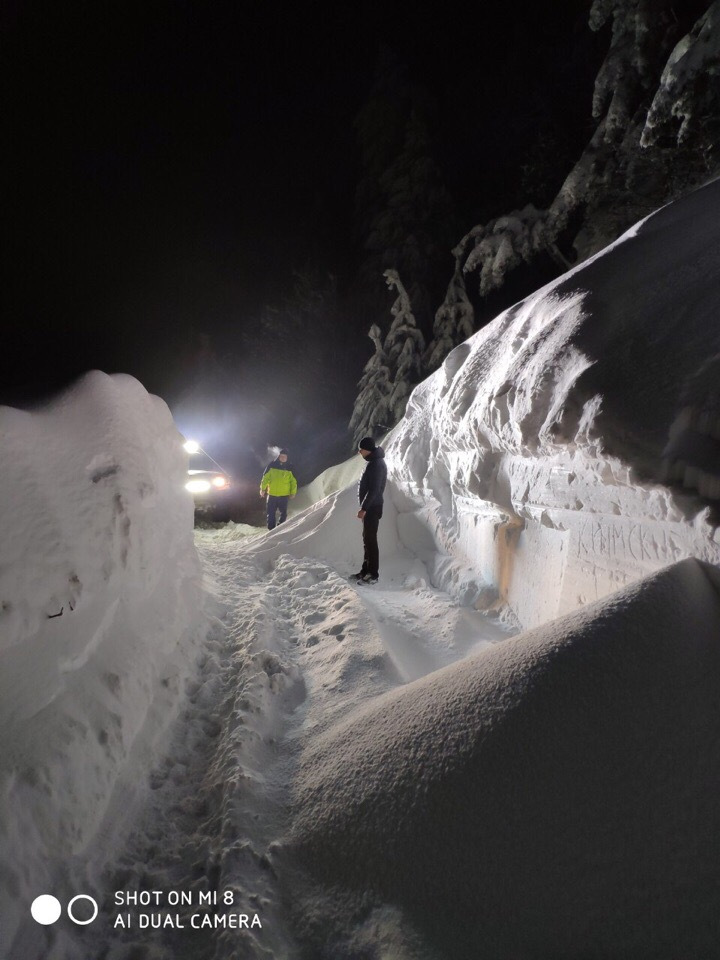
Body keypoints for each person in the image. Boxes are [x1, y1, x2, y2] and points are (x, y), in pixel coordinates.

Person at [352, 436, 387, 585]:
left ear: (367, 449)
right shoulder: (374, 462)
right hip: (371, 507)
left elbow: (374, 490)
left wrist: (364, 508)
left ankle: (373, 574)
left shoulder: (376, 464)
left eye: (361, 449)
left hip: (372, 508)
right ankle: (365, 571)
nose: (360, 452)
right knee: (367, 540)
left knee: (371, 541)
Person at [260, 448, 297, 530]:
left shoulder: (290, 467)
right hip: (272, 495)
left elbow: (293, 482)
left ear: (287, 458)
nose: (283, 458)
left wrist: (293, 492)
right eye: (281, 456)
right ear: (278, 456)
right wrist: (262, 489)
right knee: (270, 514)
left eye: (285, 457)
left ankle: (280, 529)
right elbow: (265, 478)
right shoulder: (272, 465)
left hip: (283, 496)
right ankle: (271, 530)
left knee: (283, 514)